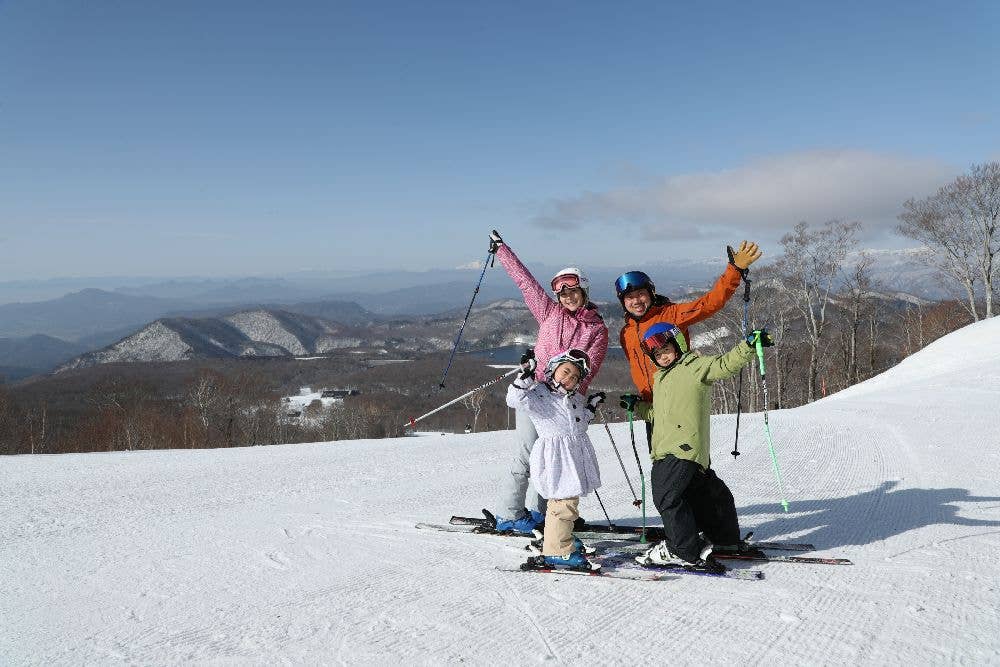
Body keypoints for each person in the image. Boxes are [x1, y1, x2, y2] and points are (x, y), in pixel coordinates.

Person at [621, 322, 774, 569]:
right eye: (657, 355)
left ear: (679, 344)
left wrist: (747, 346)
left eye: (666, 349)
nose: (662, 356)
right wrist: (637, 407)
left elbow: (724, 365)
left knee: (667, 498)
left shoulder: (695, 367)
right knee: (709, 495)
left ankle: (682, 549)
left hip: (677, 449)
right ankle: (725, 539)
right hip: (685, 452)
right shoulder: (661, 378)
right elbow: (658, 413)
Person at [487, 230, 609, 534]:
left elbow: (588, 368)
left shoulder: (597, 329)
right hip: (535, 394)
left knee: (554, 459)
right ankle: (510, 513)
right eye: (562, 293)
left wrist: (573, 398)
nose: (567, 296)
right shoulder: (549, 312)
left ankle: (543, 514)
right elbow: (526, 283)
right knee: (526, 454)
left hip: (563, 402)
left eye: (573, 290)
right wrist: (502, 251)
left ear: (584, 291)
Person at [615, 241, 762, 449]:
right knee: (662, 461)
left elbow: (710, 303)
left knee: (685, 465)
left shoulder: (670, 315)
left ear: (651, 294)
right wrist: (640, 403)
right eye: (629, 297)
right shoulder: (626, 333)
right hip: (654, 409)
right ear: (623, 302)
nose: (636, 301)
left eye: (641, 294)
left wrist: (734, 270)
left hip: (680, 403)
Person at [508, 348, 604, 571]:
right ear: (554, 369)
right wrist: (527, 376)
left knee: (565, 503)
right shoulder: (540, 393)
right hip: (556, 459)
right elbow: (514, 399)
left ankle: (560, 537)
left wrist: (590, 407)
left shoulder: (572, 398)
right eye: (566, 371)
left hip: (572, 457)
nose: (569, 379)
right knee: (564, 504)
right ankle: (557, 550)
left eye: (574, 377)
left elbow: (578, 424)